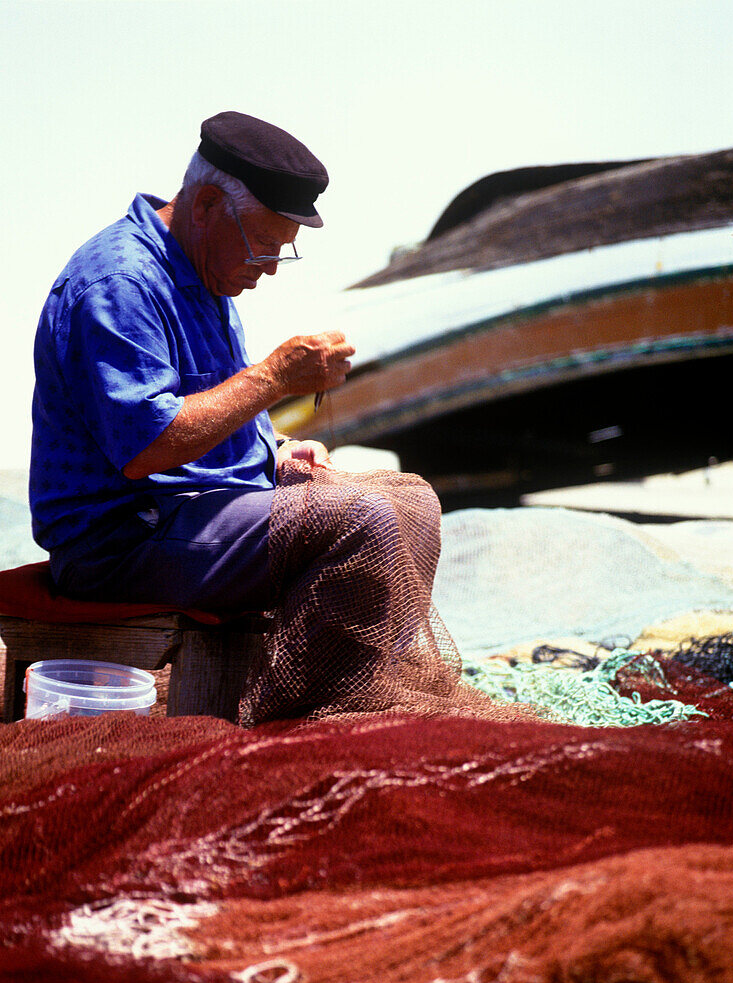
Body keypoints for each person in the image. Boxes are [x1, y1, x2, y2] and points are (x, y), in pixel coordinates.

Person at [31, 110, 457, 721]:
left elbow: (218, 416)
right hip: (120, 540)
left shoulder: (209, 275)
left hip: (189, 515)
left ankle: (362, 703)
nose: (272, 266)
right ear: (205, 206)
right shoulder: (119, 282)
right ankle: (312, 724)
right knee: (363, 522)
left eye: (285, 250)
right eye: (263, 245)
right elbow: (145, 448)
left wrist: (277, 455)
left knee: (410, 502)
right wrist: (276, 376)